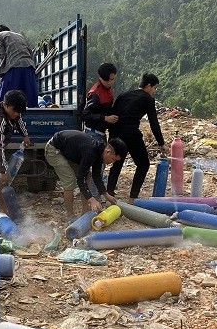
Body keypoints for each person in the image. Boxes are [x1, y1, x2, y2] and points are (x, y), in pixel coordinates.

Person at [107, 73, 168, 201]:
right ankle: (133, 196)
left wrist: (111, 139)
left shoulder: (123, 95)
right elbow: (154, 123)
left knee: (117, 162)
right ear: (149, 86)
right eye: (154, 88)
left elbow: (112, 115)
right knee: (143, 164)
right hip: (131, 134)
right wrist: (161, 143)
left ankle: (109, 193)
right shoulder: (148, 99)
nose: (154, 91)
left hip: (116, 133)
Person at [45, 130, 126, 220]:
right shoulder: (90, 152)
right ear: (107, 152)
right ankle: (70, 215)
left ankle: (85, 211)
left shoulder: (100, 152)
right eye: (113, 159)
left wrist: (106, 194)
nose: (112, 162)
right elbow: (80, 179)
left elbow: (96, 176)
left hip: (68, 152)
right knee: (70, 181)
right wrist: (92, 200)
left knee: (88, 176)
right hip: (54, 150)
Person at [0, 25, 38, 107]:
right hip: (29, 66)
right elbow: (30, 51)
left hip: (14, 65)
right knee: (30, 93)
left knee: (8, 94)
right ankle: (32, 112)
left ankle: (1, 109)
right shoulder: (19, 36)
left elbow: (2, 54)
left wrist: (2, 72)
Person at [82, 62, 118, 142]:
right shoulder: (95, 93)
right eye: (106, 80)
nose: (109, 82)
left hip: (101, 132)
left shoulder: (108, 89)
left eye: (112, 79)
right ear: (100, 77)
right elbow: (86, 115)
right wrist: (105, 118)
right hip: (93, 133)